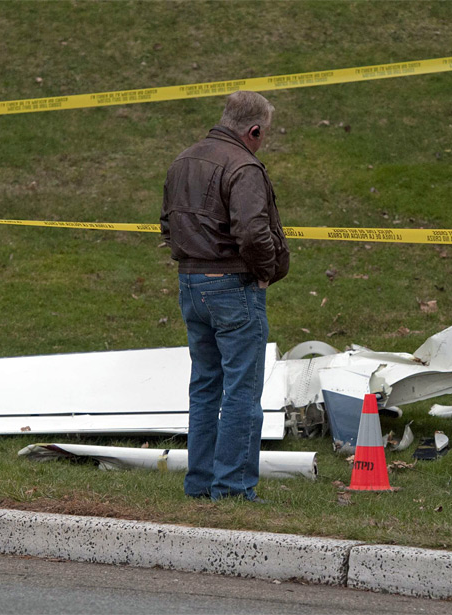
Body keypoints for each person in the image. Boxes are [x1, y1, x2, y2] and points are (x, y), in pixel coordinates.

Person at [160, 91, 290, 502]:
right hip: (233, 287)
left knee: (204, 386)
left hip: (191, 284)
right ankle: (232, 488)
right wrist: (266, 272)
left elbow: (167, 223)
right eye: (263, 134)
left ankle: (199, 483)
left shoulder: (184, 159)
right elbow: (253, 232)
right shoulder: (244, 165)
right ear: (254, 131)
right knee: (242, 391)